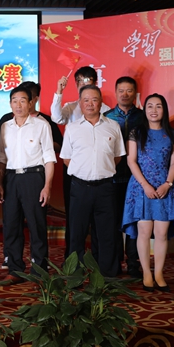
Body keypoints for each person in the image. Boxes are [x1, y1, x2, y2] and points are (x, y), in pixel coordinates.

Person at [122, 94, 174, 291]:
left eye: (158, 106)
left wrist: (167, 183)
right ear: (145, 109)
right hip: (141, 187)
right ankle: (146, 273)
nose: (154, 110)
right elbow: (131, 161)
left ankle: (159, 273)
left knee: (161, 232)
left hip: (164, 187)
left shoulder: (172, 134)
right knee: (143, 231)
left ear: (164, 110)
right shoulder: (136, 132)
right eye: (150, 106)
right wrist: (145, 185)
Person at [59, 85, 125, 277]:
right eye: (86, 100)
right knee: (77, 233)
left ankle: (108, 275)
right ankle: (75, 275)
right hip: (80, 187)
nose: (90, 104)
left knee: (107, 233)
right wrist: (85, 171)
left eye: (94, 100)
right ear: (80, 103)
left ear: (101, 103)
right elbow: (66, 158)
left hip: (105, 188)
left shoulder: (113, 126)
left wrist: (100, 169)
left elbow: (117, 157)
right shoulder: (72, 128)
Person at [0, 86, 56, 282]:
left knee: (36, 224)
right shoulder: (5, 126)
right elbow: (2, 158)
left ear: (31, 103)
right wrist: (0, 183)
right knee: (11, 224)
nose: (18, 105)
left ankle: (39, 270)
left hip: (34, 178)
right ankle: (15, 270)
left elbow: (49, 158)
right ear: (10, 104)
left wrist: (47, 186)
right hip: (11, 178)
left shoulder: (41, 125)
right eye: (14, 101)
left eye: (23, 100)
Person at [51, 66, 110, 256]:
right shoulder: (71, 107)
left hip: (100, 172)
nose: (83, 85)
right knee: (74, 216)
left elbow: (116, 154)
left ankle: (100, 259)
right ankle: (72, 259)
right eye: (79, 82)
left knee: (100, 219)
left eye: (87, 81)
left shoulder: (106, 111)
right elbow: (56, 117)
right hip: (74, 170)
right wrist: (59, 92)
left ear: (95, 83)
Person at [104, 76, 146, 277]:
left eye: (129, 90)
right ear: (115, 92)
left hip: (136, 178)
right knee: (112, 222)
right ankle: (114, 262)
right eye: (121, 90)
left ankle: (133, 263)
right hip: (112, 177)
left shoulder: (144, 117)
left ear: (135, 93)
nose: (125, 94)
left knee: (134, 222)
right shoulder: (106, 117)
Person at [0, 81, 63, 152]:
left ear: (35, 100)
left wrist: (39, 142)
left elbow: (60, 146)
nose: (19, 104)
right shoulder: (6, 119)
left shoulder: (45, 121)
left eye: (25, 99)